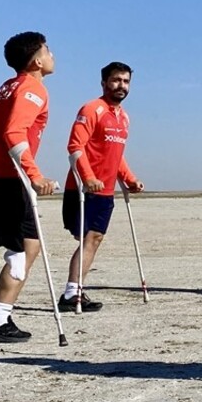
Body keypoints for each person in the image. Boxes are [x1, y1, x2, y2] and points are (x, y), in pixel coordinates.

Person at [0, 31, 57, 343]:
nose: (52, 56)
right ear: (36, 60)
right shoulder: (32, 88)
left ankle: (0, 318)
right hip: (7, 179)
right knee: (22, 252)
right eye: (48, 51)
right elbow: (13, 133)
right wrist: (35, 175)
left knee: (27, 246)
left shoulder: (3, 90)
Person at [60, 61, 145, 312]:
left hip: (107, 190)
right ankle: (72, 293)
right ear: (104, 82)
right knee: (85, 238)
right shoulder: (92, 109)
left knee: (94, 239)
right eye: (116, 80)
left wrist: (129, 178)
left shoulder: (124, 118)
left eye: (126, 81)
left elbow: (116, 154)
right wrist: (88, 178)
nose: (122, 86)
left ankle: (73, 293)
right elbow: (75, 147)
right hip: (82, 190)